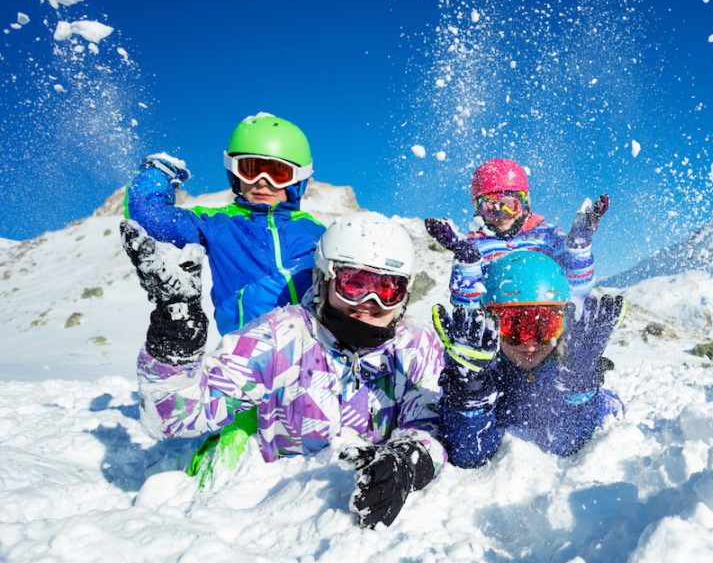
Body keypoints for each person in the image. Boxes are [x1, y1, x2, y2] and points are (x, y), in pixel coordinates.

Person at [124, 213, 446, 528]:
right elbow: (172, 417)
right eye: (354, 284)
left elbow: (431, 424)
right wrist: (175, 337)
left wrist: (406, 463)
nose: (369, 301)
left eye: (388, 289)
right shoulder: (283, 337)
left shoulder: (415, 346)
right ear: (325, 279)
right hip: (278, 521)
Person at [124, 112, 326, 479]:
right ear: (235, 173)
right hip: (250, 366)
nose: (262, 182)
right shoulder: (218, 226)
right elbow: (150, 217)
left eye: (277, 173)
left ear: (298, 179)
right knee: (245, 455)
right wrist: (157, 174)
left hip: (316, 361)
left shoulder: (317, 234)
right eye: (251, 169)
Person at [432, 250, 624, 467]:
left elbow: (589, 430)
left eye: (543, 326)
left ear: (563, 326)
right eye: (512, 326)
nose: (529, 342)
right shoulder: (479, 373)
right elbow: (469, 455)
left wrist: (579, 386)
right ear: (489, 324)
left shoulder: (566, 369)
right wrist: (471, 391)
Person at [424, 158, 609, 310]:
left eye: (511, 204)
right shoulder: (476, 247)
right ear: (478, 208)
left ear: (525, 202)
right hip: (502, 337)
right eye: (492, 205)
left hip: (550, 327)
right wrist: (467, 263)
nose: (503, 213)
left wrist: (579, 245)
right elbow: (466, 309)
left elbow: (578, 291)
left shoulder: (547, 238)